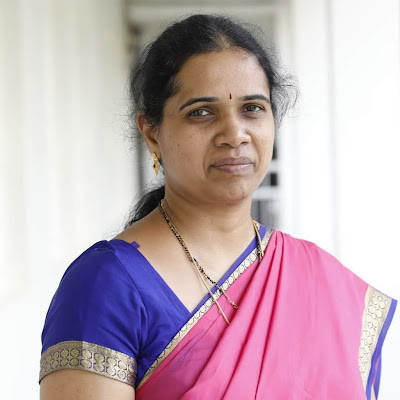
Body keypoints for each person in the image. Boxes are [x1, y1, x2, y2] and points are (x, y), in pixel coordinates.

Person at [39, 14, 396, 400]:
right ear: (152, 134)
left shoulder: (317, 277)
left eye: (252, 108)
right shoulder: (105, 284)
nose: (235, 134)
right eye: (201, 112)